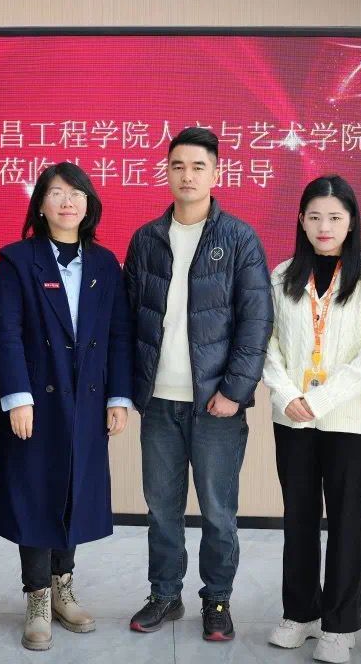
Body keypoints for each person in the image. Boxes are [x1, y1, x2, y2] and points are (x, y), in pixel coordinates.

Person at [125, 126, 273, 641]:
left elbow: (256, 322)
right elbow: (128, 319)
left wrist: (235, 390)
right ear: (166, 173)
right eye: (178, 166)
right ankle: (165, 595)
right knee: (162, 509)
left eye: (198, 167)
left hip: (216, 405)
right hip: (159, 402)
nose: (187, 176)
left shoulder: (239, 238)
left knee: (218, 512)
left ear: (216, 173)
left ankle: (217, 600)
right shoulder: (146, 239)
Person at [0, 162, 133, 651]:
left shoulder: (104, 265)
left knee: (74, 491)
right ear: (40, 205)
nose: (67, 202)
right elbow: (5, 334)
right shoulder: (16, 260)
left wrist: (118, 397)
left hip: (86, 402)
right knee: (34, 494)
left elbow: (118, 335)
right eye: (56, 193)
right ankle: (37, 598)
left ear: (89, 204)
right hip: (34, 402)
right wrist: (17, 397)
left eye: (76, 193)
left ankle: (62, 586)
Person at [262, 175, 361, 663]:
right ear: (301, 220)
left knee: (345, 522)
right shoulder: (281, 276)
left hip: (349, 422)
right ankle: (300, 614)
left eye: (335, 217)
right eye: (315, 216)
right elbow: (266, 343)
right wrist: (288, 394)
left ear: (351, 221)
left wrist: (319, 400)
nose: (324, 226)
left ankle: (339, 626)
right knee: (298, 518)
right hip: (292, 418)